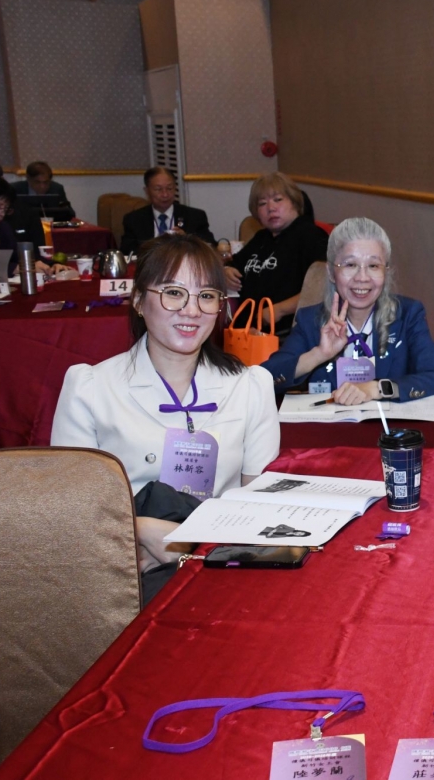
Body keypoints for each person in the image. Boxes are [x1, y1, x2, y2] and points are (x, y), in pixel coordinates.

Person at [51, 234, 280, 580]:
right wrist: (139, 529)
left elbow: (260, 505)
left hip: (219, 569)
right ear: (139, 301)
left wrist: (190, 545)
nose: (192, 310)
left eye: (207, 296)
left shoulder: (250, 386)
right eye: (174, 292)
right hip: (122, 572)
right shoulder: (91, 388)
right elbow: (69, 510)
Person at [263, 217, 434, 401]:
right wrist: (318, 354)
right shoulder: (311, 320)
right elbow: (265, 378)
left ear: (385, 271)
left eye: (373, 266)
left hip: (386, 420)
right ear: (331, 273)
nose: (362, 278)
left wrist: (378, 388)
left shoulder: (408, 315)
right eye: (350, 265)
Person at [226, 172, 328, 335]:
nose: (271, 208)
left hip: (288, 332)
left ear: (294, 202)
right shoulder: (262, 238)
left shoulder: (311, 236)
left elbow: (325, 287)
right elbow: (235, 264)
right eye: (262, 203)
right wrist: (227, 271)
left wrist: (280, 309)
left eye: (278, 200)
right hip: (246, 333)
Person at [120, 167, 215, 256]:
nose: (165, 194)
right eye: (158, 189)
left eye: (169, 188)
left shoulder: (195, 216)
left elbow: (210, 246)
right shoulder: (134, 219)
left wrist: (187, 241)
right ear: (147, 191)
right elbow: (127, 252)